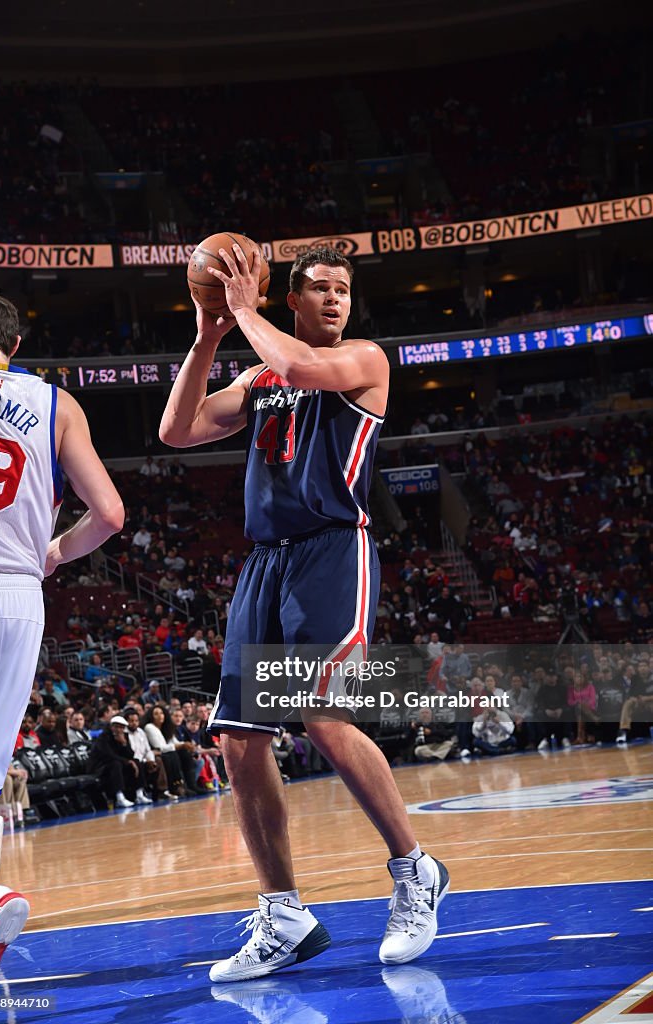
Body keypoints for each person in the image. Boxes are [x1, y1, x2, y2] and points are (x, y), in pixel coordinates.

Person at [160, 246, 449, 982]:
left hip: (331, 551)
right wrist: (207, 335)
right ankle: (284, 913)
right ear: (294, 298)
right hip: (266, 562)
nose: (333, 300)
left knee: (323, 714)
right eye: (318, 289)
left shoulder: (362, 359)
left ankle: (415, 870)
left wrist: (249, 313)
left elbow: (299, 371)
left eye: (343, 290)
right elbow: (178, 430)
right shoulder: (260, 370)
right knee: (238, 743)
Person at [0, 286, 124, 1013]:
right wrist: (55, 553)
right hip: (20, 598)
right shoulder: (57, 403)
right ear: (17, 349)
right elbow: (111, 513)